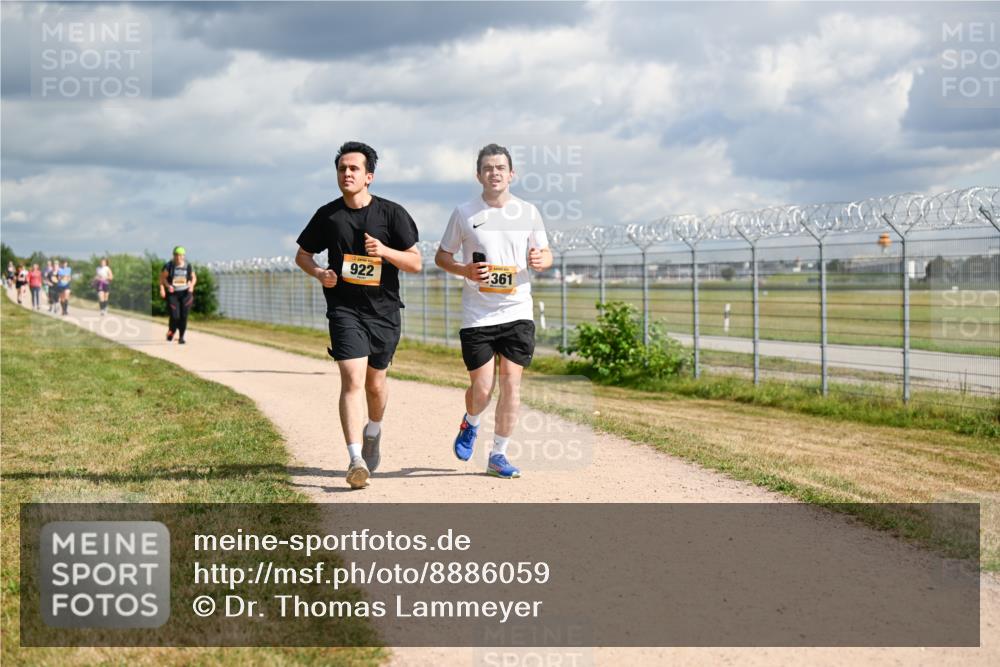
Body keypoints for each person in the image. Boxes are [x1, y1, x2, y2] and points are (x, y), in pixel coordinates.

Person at [294, 141, 421, 489]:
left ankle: (373, 432)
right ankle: (355, 460)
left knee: (375, 385)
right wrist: (320, 273)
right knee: (351, 380)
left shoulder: (392, 214)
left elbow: (415, 263)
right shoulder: (327, 215)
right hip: (344, 309)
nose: (346, 174)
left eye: (353, 169)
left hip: (383, 311)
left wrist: (385, 251)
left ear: (369, 176)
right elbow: (303, 255)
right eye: (341, 169)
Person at [434, 143, 553, 479]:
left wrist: (544, 260)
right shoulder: (464, 213)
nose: (495, 173)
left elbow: (544, 254)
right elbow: (442, 257)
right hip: (478, 314)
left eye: (501, 167)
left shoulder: (528, 212)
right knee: (483, 389)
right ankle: (471, 421)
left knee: (511, 384)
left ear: (511, 174)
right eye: (488, 168)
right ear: (478, 175)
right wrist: (464, 271)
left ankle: (498, 454)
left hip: (517, 310)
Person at [159, 246, 196, 344]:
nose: (178, 257)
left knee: (184, 316)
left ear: (183, 256)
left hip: (186, 294)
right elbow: (162, 278)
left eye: (180, 255)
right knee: (175, 316)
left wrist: (191, 285)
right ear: (173, 255)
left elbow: (194, 278)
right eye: (176, 255)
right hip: (173, 294)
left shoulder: (188, 265)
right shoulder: (169, 266)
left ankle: (181, 337)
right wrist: (165, 287)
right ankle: (171, 331)